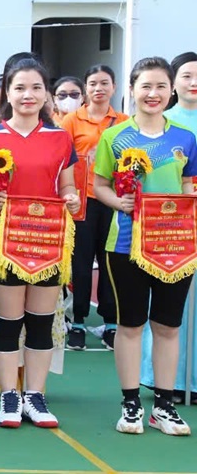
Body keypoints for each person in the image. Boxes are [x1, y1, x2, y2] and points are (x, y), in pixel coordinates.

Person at [0, 57, 80, 429]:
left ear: (46, 93)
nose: (27, 95)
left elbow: (66, 186)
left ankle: (36, 394)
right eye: (19, 88)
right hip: (3, 241)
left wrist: (72, 199)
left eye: (35, 87)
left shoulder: (61, 138)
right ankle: (9, 395)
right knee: (7, 322)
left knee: (41, 322)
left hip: (47, 242)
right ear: (7, 93)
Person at [93, 56, 197, 436]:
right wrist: (116, 202)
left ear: (170, 91)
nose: (153, 94)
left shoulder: (185, 139)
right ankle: (131, 404)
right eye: (145, 86)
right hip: (124, 245)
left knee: (169, 326)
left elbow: (189, 185)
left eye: (160, 86)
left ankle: (165, 406)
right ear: (132, 90)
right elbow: (100, 184)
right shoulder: (114, 137)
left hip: (175, 245)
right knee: (131, 325)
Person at [59, 65, 127, 351]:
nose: (98, 89)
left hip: (113, 201)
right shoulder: (72, 121)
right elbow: (62, 160)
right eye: (93, 84)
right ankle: (78, 321)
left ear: (113, 87)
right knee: (81, 264)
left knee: (110, 263)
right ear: (85, 89)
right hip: (81, 203)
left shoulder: (124, 121)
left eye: (104, 83)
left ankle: (111, 323)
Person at [143, 51, 197, 403]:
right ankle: (168, 380)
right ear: (173, 83)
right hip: (167, 227)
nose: (194, 83)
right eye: (188, 76)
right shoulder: (163, 123)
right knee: (170, 309)